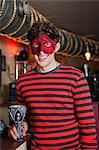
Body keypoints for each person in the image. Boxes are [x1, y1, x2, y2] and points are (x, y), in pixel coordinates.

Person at [9, 22, 97, 150]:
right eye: (36, 45)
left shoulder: (76, 77)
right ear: (30, 47)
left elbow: (88, 125)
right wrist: (20, 127)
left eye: (47, 45)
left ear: (57, 47)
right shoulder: (22, 83)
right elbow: (25, 119)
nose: (41, 51)